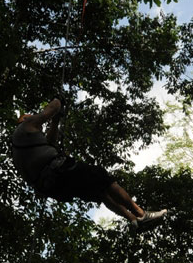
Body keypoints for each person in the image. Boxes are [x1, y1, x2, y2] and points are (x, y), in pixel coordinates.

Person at [10, 98, 167, 231]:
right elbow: (52, 108)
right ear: (24, 120)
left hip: (55, 186)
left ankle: (133, 220)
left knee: (100, 192)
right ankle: (141, 214)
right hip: (61, 172)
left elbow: (50, 143)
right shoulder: (25, 126)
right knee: (103, 178)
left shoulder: (21, 149)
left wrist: (56, 120)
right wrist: (58, 102)